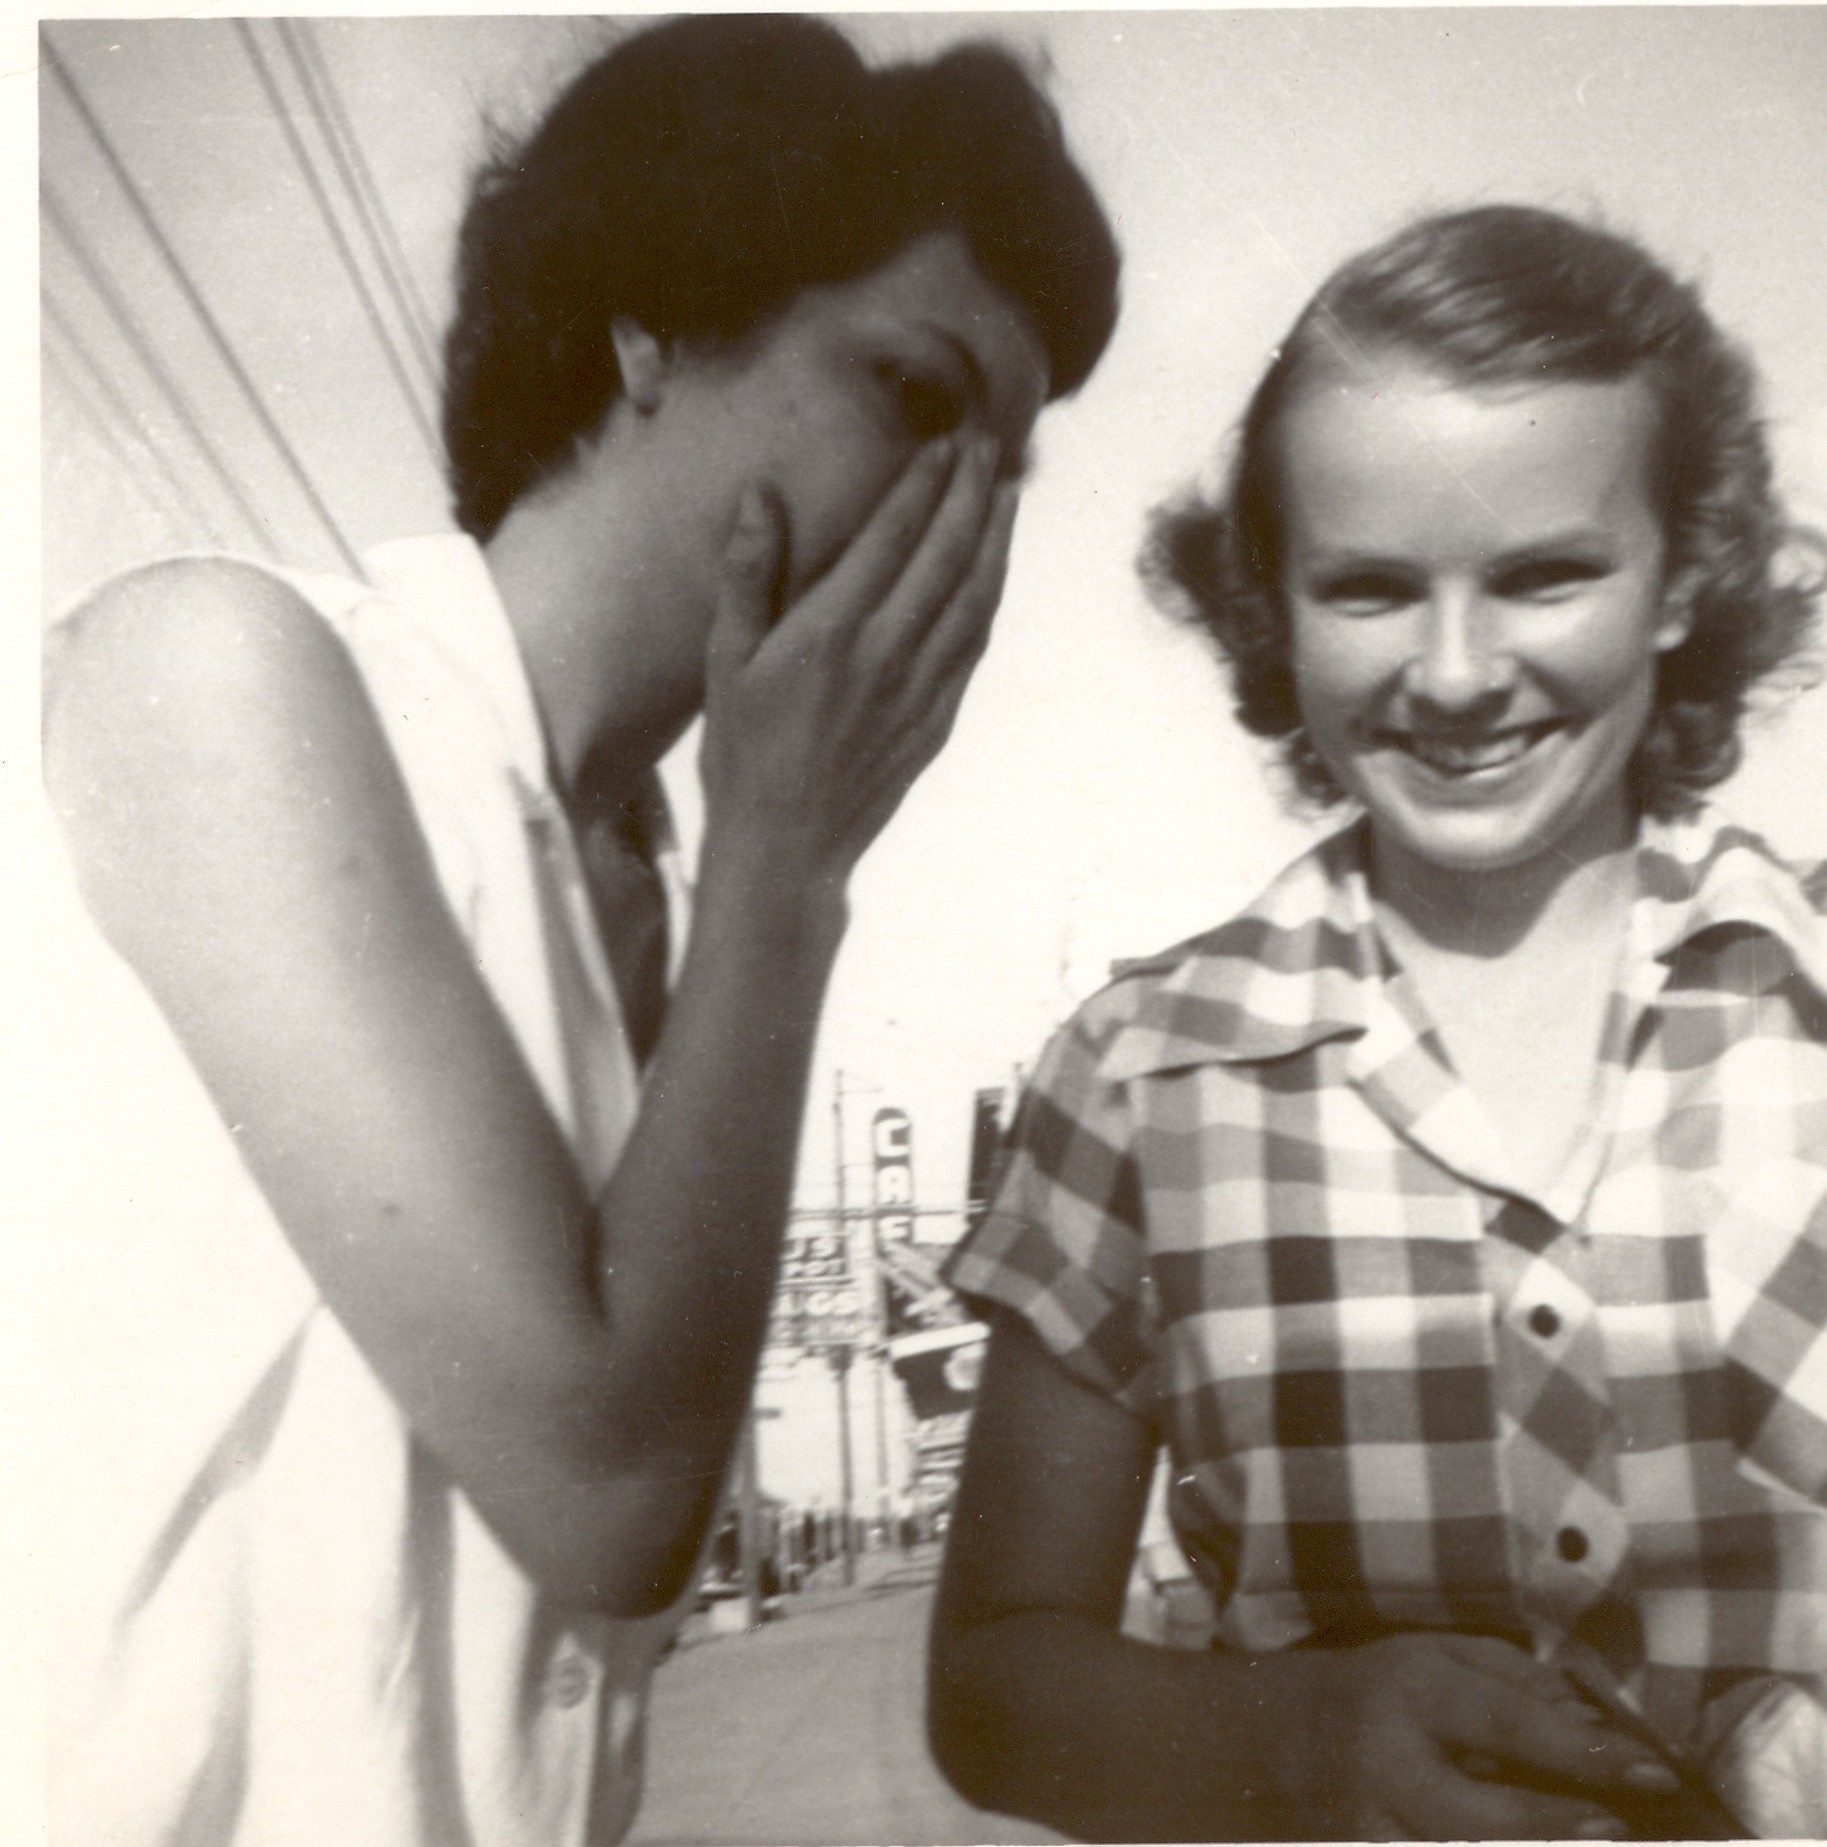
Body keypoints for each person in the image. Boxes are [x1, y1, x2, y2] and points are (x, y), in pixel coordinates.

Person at [40, 16, 1117, 1845]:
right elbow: (616, 1497)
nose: (950, 526)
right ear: (657, 326)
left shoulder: (652, 901)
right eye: (915, 401)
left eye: (998, 481)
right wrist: (791, 868)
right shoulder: (223, 673)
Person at [929, 203, 1827, 1840]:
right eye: (1369, 590)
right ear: (1269, 606)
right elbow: (993, 1685)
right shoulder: (1140, 1075)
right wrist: (1289, 1736)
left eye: (1545, 574)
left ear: (1684, 577)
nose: (1458, 672)